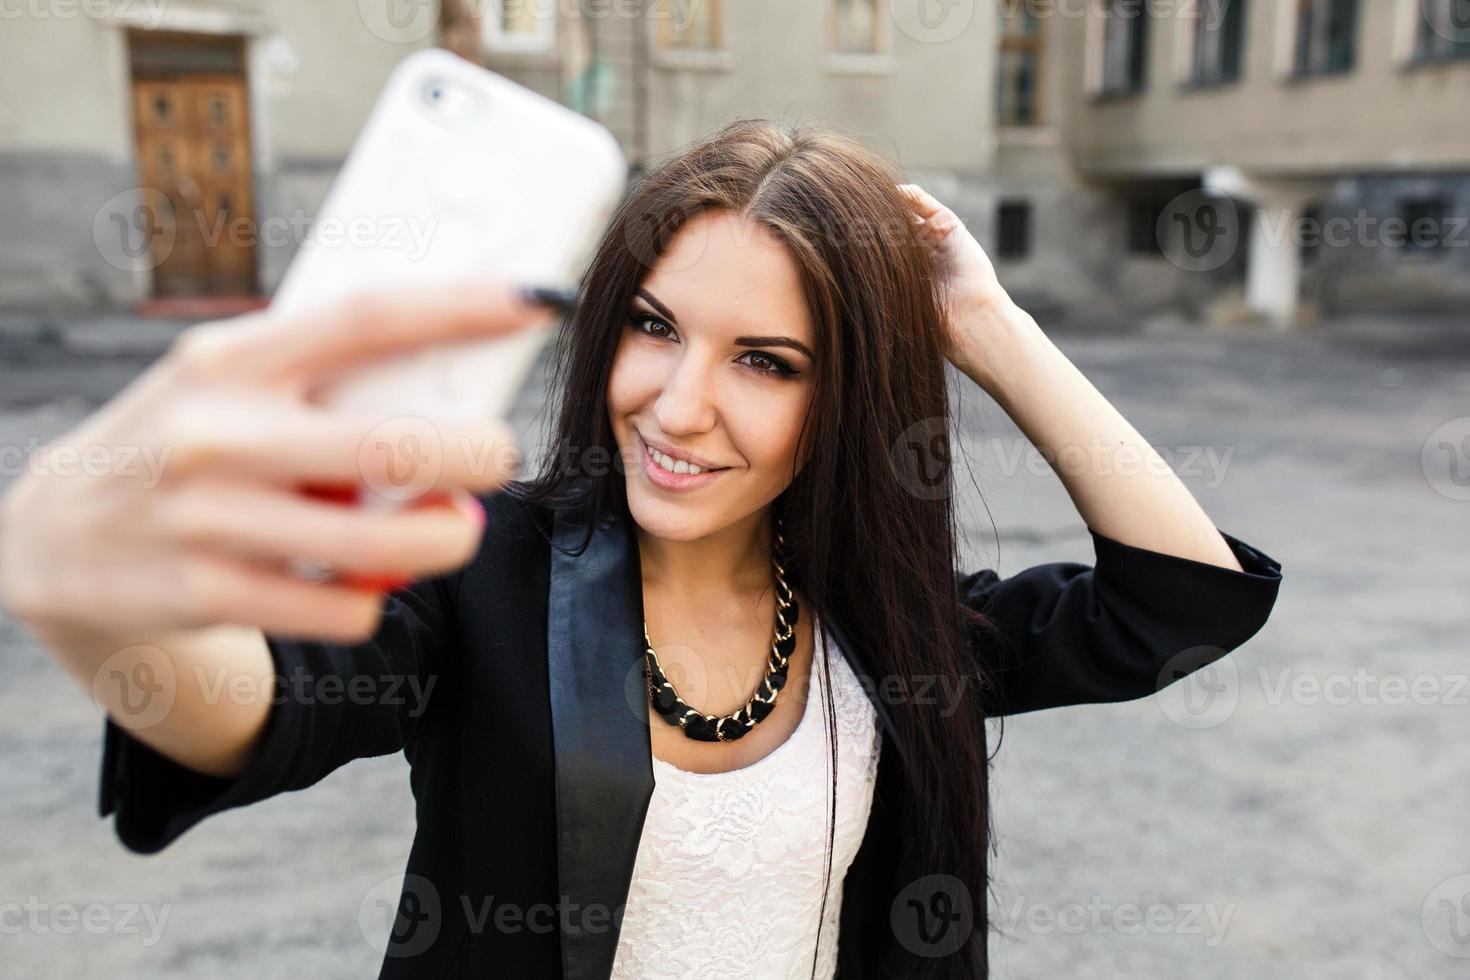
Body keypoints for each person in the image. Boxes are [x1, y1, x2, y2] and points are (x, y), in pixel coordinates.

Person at [0, 119, 1283, 979]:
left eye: (766, 362)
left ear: (846, 398)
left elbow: (1177, 604)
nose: (676, 405)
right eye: (656, 327)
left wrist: (989, 327)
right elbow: (256, 707)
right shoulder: (481, 565)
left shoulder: (889, 622)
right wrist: (107, 593)